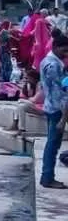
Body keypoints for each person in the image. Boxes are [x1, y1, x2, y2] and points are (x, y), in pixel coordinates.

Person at [39, 35, 68, 189]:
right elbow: (60, 94)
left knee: (52, 143)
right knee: (53, 144)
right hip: (57, 109)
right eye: (65, 49)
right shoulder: (54, 66)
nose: (67, 52)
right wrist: (63, 119)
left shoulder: (47, 61)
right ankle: (47, 177)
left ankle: (47, 176)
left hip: (50, 107)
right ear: (56, 47)